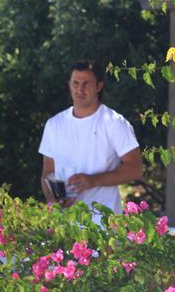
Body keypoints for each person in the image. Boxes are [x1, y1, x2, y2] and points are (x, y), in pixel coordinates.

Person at [38, 60, 143, 216]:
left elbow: (136, 169)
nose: (80, 89)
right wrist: (54, 197)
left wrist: (93, 180)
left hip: (104, 227)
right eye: (75, 83)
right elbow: (48, 172)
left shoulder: (114, 122)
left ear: (98, 86)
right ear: (69, 85)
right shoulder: (54, 124)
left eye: (86, 84)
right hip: (64, 226)